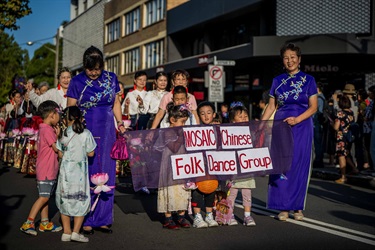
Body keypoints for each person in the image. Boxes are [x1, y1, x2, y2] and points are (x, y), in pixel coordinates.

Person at [66, 46, 126, 234]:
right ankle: (86, 217)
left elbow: (116, 102)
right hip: (84, 129)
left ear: (102, 66)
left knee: (106, 170)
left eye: (97, 69)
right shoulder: (76, 81)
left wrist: (120, 123)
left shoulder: (111, 78)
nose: (93, 73)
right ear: (84, 66)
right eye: (90, 69)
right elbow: (71, 109)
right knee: (87, 171)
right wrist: (71, 132)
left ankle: (104, 218)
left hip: (107, 129)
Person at [261, 43, 318, 221]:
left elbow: (313, 107)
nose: (290, 60)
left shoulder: (309, 80)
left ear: (299, 60)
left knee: (300, 165)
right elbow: (271, 106)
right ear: (282, 61)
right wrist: (259, 125)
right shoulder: (277, 81)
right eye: (286, 57)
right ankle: (282, 207)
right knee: (281, 165)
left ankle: (297, 208)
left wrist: (298, 119)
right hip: (281, 126)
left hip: (302, 127)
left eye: (293, 57)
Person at [20, 100, 62, 236]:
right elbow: (57, 149)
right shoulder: (48, 130)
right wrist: (59, 136)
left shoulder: (43, 128)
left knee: (45, 196)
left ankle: (44, 222)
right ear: (52, 115)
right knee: (44, 197)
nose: (59, 117)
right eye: (58, 114)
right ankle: (28, 222)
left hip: (45, 168)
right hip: (47, 169)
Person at [56, 106, 97, 242]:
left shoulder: (63, 134)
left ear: (66, 118)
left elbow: (60, 153)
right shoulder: (86, 133)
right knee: (81, 199)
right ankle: (76, 231)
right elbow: (91, 153)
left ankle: (66, 232)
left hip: (65, 172)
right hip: (79, 173)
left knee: (64, 199)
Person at [157, 103, 192, 229]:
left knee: (182, 189)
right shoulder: (168, 132)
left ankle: (181, 216)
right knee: (170, 189)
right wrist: (182, 136)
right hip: (170, 167)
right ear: (172, 120)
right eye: (182, 122)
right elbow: (174, 147)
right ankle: (168, 217)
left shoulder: (181, 131)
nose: (184, 125)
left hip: (182, 165)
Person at [226, 102, 256, 226]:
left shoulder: (251, 132)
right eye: (240, 116)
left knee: (247, 192)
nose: (244, 118)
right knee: (232, 193)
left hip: (246, 168)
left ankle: (247, 216)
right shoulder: (228, 133)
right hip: (233, 168)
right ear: (233, 121)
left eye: (245, 116)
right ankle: (230, 214)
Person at [191, 101, 219, 228]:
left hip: (213, 166)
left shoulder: (219, 130)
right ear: (198, 116)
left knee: (211, 190)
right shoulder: (195, 130)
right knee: (197, 191)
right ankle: (197, 217)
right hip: (198, 166)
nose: (206, 116)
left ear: (214, 114)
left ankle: (209, 215)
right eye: (202, 114)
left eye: (209, 113)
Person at [334, 95, 358, 184]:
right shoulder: (351, 112)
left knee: (341, 155)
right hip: (349, 136)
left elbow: (336, 127)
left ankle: (343, 176)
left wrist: (333, 123)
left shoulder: (340, 113)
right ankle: (354, 168)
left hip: (341, 136)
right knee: (346, 153)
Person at [313, 82, 326, 168]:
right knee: (318, 142)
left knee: (317, 143)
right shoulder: (322, 97)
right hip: (318, 123)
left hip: (317, 123)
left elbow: (319, 112)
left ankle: (318, 160)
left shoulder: (319, 98)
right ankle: (318, 159)